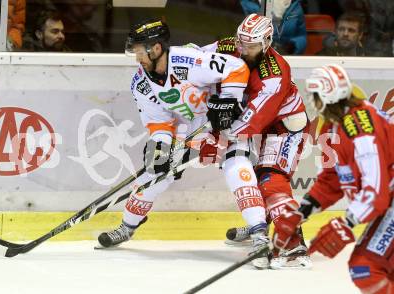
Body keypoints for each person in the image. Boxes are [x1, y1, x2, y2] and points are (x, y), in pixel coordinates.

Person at [97, 18, 271, 269]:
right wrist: (160, 146)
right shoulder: (141, 84)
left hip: (223, 122)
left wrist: (228, 102)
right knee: (154, 174)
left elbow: (236, 68)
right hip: (189, 127)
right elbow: (159, 123)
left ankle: (259, 235)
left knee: (238, 167)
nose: (137, 59)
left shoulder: (188, 60)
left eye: (139, 52)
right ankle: (127, 227)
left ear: (156, 49)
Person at [200, 13, 311, 269]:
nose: (243, 49)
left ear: (266, 43)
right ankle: (260, 225)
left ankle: (293, 244)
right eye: (241, 42)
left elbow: (251, 122)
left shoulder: (275, 73)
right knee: (253, 173)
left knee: (270, 178)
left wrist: (214, 136)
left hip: (284, 127)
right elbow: (194, 57)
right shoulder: (229, 46)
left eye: (250, 46)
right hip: (258, 124)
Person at [273, 64, 393, 293]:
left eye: (315, 96)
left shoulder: (361, 128)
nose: (312, 101)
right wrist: (301, 214)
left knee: (366, 268)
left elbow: (376, 190)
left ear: (327, 97)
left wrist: (347, 222)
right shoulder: (335, 127)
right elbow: (332, 180)